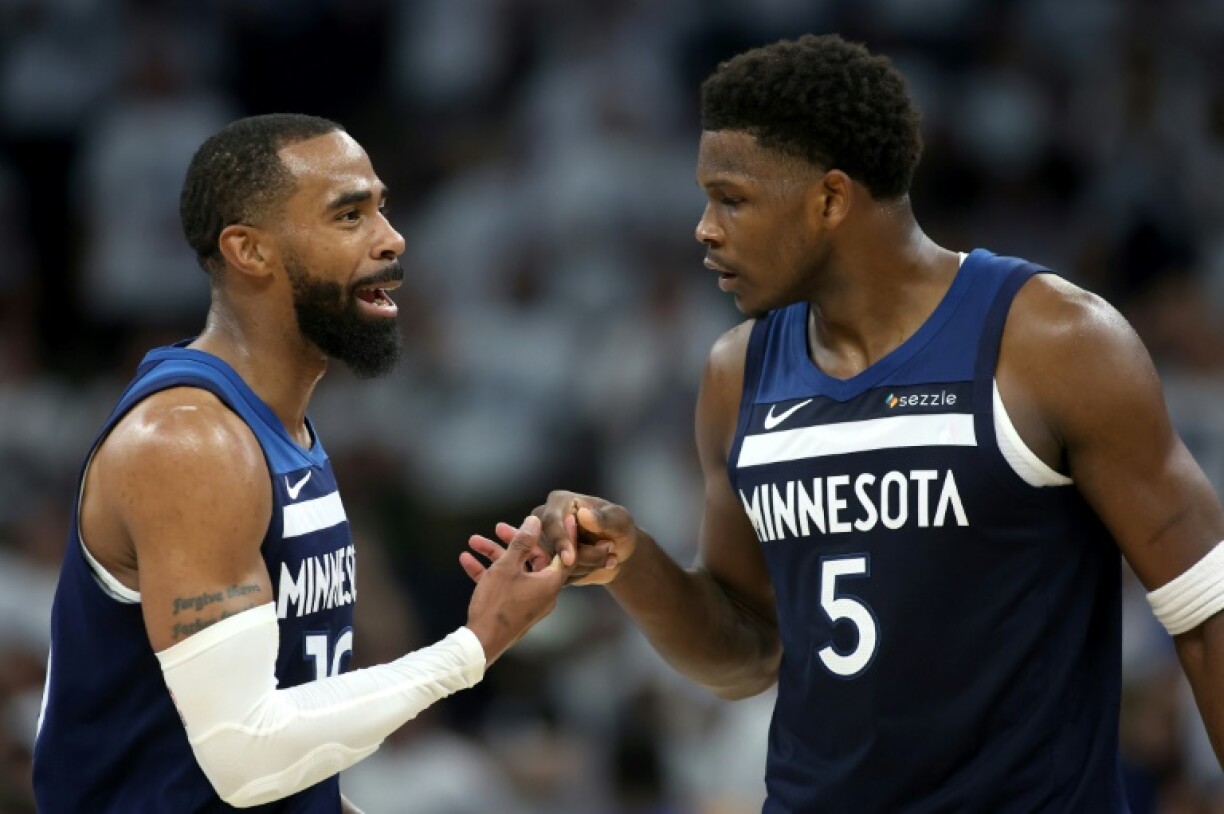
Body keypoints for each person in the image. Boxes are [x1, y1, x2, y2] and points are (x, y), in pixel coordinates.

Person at [462, 34, 1224, 812]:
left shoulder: (1051, 340)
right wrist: (633, 563)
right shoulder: (736, 374)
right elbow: (750, 654)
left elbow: (1208, 610)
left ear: (829, 200)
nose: (703, 227)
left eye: (731, 198)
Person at [32, 113, 572, 813]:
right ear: (249, 250)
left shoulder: (281, 429)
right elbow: (246, 755)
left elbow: (281, 752)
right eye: (349, 215)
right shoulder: (190, 444)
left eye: (382, 206)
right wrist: (475, 646)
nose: (392, 238)